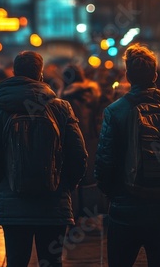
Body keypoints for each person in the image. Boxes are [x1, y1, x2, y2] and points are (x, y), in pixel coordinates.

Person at [94, 43, 160, 267]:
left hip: (125, 204)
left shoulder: (115, 111)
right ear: (155, 74)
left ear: (128, 76)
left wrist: (112, 192)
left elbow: (105, 161)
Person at [0, 51, 88, 267]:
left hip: (13, 203)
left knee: (17, 262)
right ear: (40, 74)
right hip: (53, 202)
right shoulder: (60, 107)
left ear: (15, 71)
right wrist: (66, 185)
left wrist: (1, 191)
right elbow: (79, 155)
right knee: (51, 261)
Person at [61, 63, 104, 219]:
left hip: (73, 141)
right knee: (90, 179)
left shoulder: (66, 98)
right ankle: (91, 214)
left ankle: (75, 215)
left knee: (73, 179)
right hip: (93, 141)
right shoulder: (94, 94)